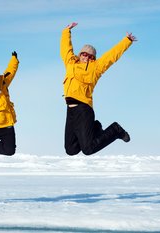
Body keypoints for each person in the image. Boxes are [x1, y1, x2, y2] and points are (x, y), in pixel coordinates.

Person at [60, 22, 136, 156]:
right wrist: (66, 32)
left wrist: (127, 41)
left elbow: (111, 56)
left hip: (84, 109)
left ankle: (115, 130)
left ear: (93, 59)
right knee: (71, 150)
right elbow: (65, 49)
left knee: (88, 149)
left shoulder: (96, 68)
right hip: (70, 110)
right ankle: (95, 128)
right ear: (80, 54)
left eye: (90, 56)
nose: (86, 57)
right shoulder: (71, 63)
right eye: (84, 54)